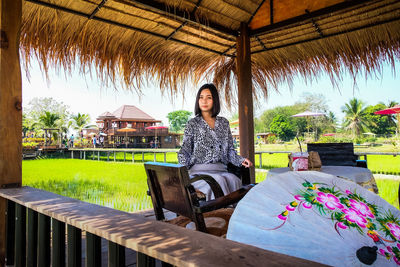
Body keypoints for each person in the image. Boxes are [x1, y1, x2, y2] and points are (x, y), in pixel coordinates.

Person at [178, 83, 253, 200]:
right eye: (201, 97)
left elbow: (229, 150)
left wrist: (241, 160)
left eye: (209, 97)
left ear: (215, 100)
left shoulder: (224, 123)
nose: (204, 101)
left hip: (220, 169)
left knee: (234, 180)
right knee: (219, 181)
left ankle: (233, 214)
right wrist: (182, 173)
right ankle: (221, 213)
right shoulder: (192, 124)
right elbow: (185, 149)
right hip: (199, 170)